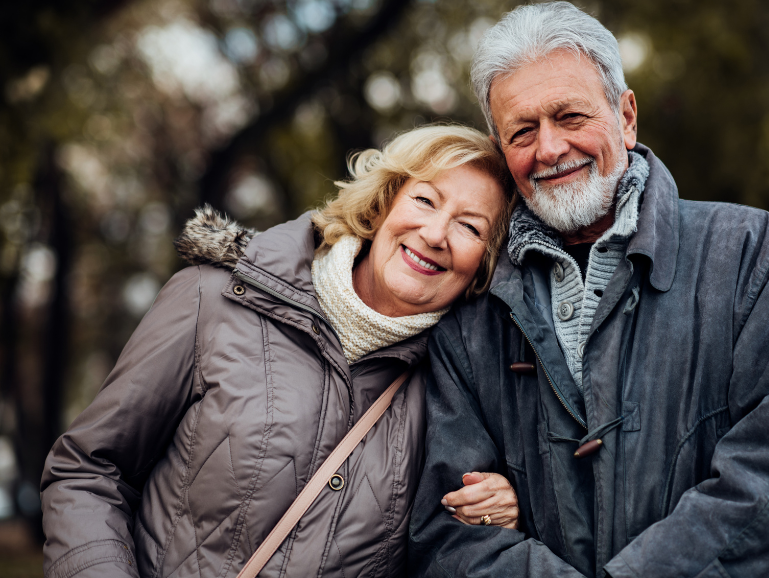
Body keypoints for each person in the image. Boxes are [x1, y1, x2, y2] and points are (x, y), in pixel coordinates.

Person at [408, 2, 769, 578]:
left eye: (569, 116)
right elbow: (447, 530)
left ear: (626, 114)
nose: (550, 148)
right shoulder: (470, 310)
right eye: (522, 131)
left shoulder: (748, 251)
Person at [40, 124, 521, 578]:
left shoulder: (459, 389)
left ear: (485, 267)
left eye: (470, 228)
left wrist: (496, 509)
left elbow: (441, 547)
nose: (436, 234)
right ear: (383, 204)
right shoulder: (213, 299)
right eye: (424, 200)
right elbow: (88, 471)